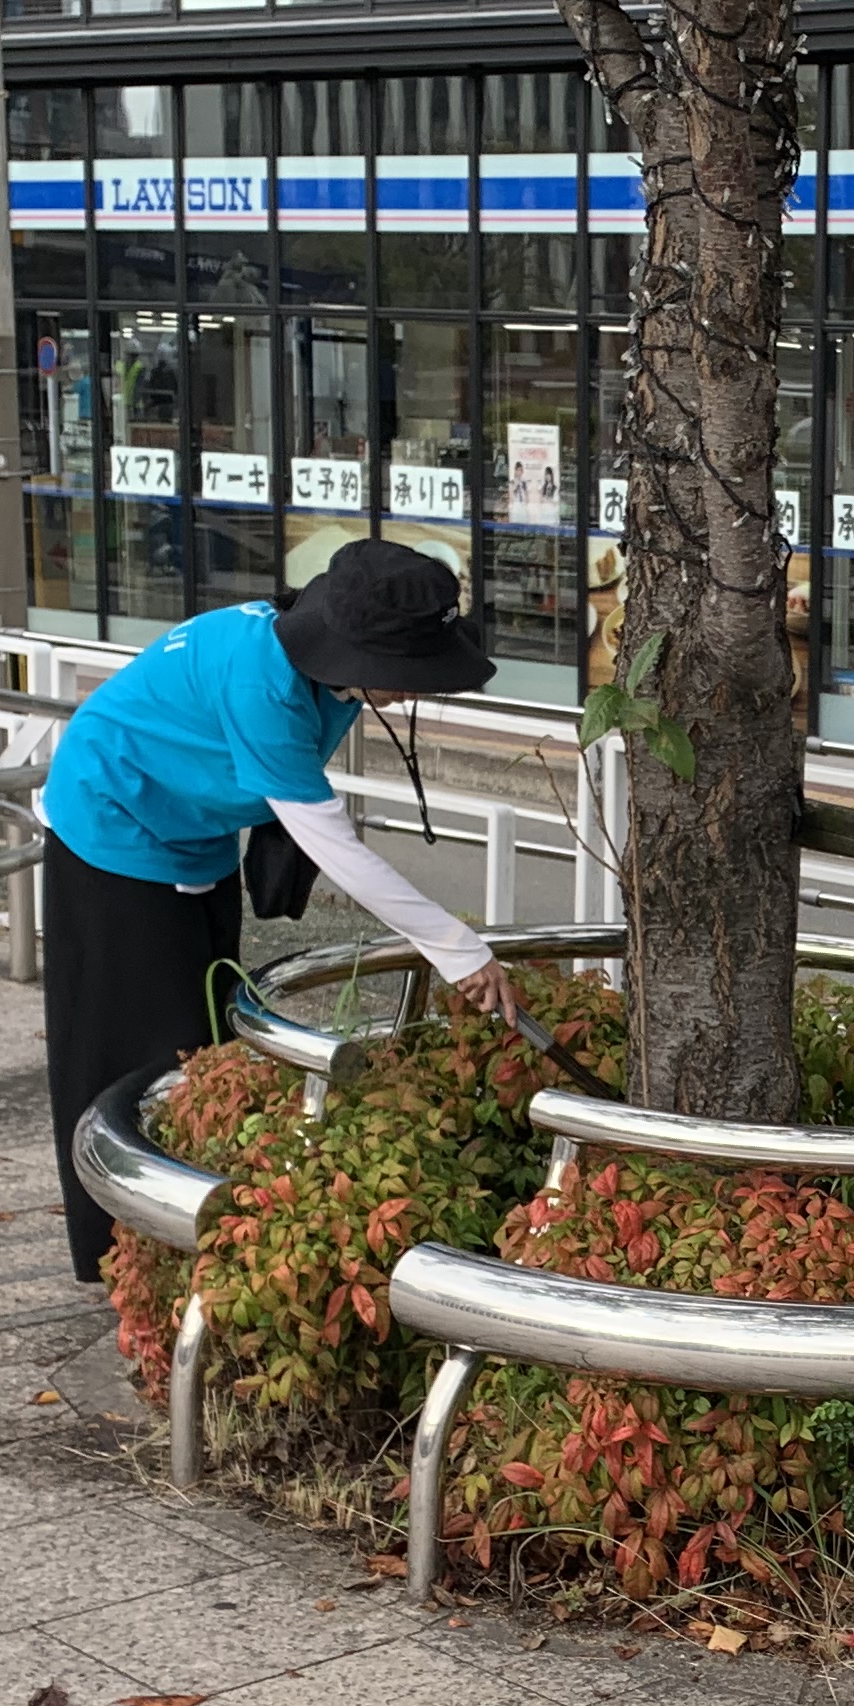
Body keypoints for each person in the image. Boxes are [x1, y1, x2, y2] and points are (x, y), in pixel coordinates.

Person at [40, 538, 521, 1281]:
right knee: (135, 1050)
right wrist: (459, 949)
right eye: (410, 671)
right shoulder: (262, 682)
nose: (415, 689)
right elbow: (338, 848)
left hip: (193, 833)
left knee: (202, 1040)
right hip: (110, 828)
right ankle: (122, 1260)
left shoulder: (325, 670)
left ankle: (184, 1239)